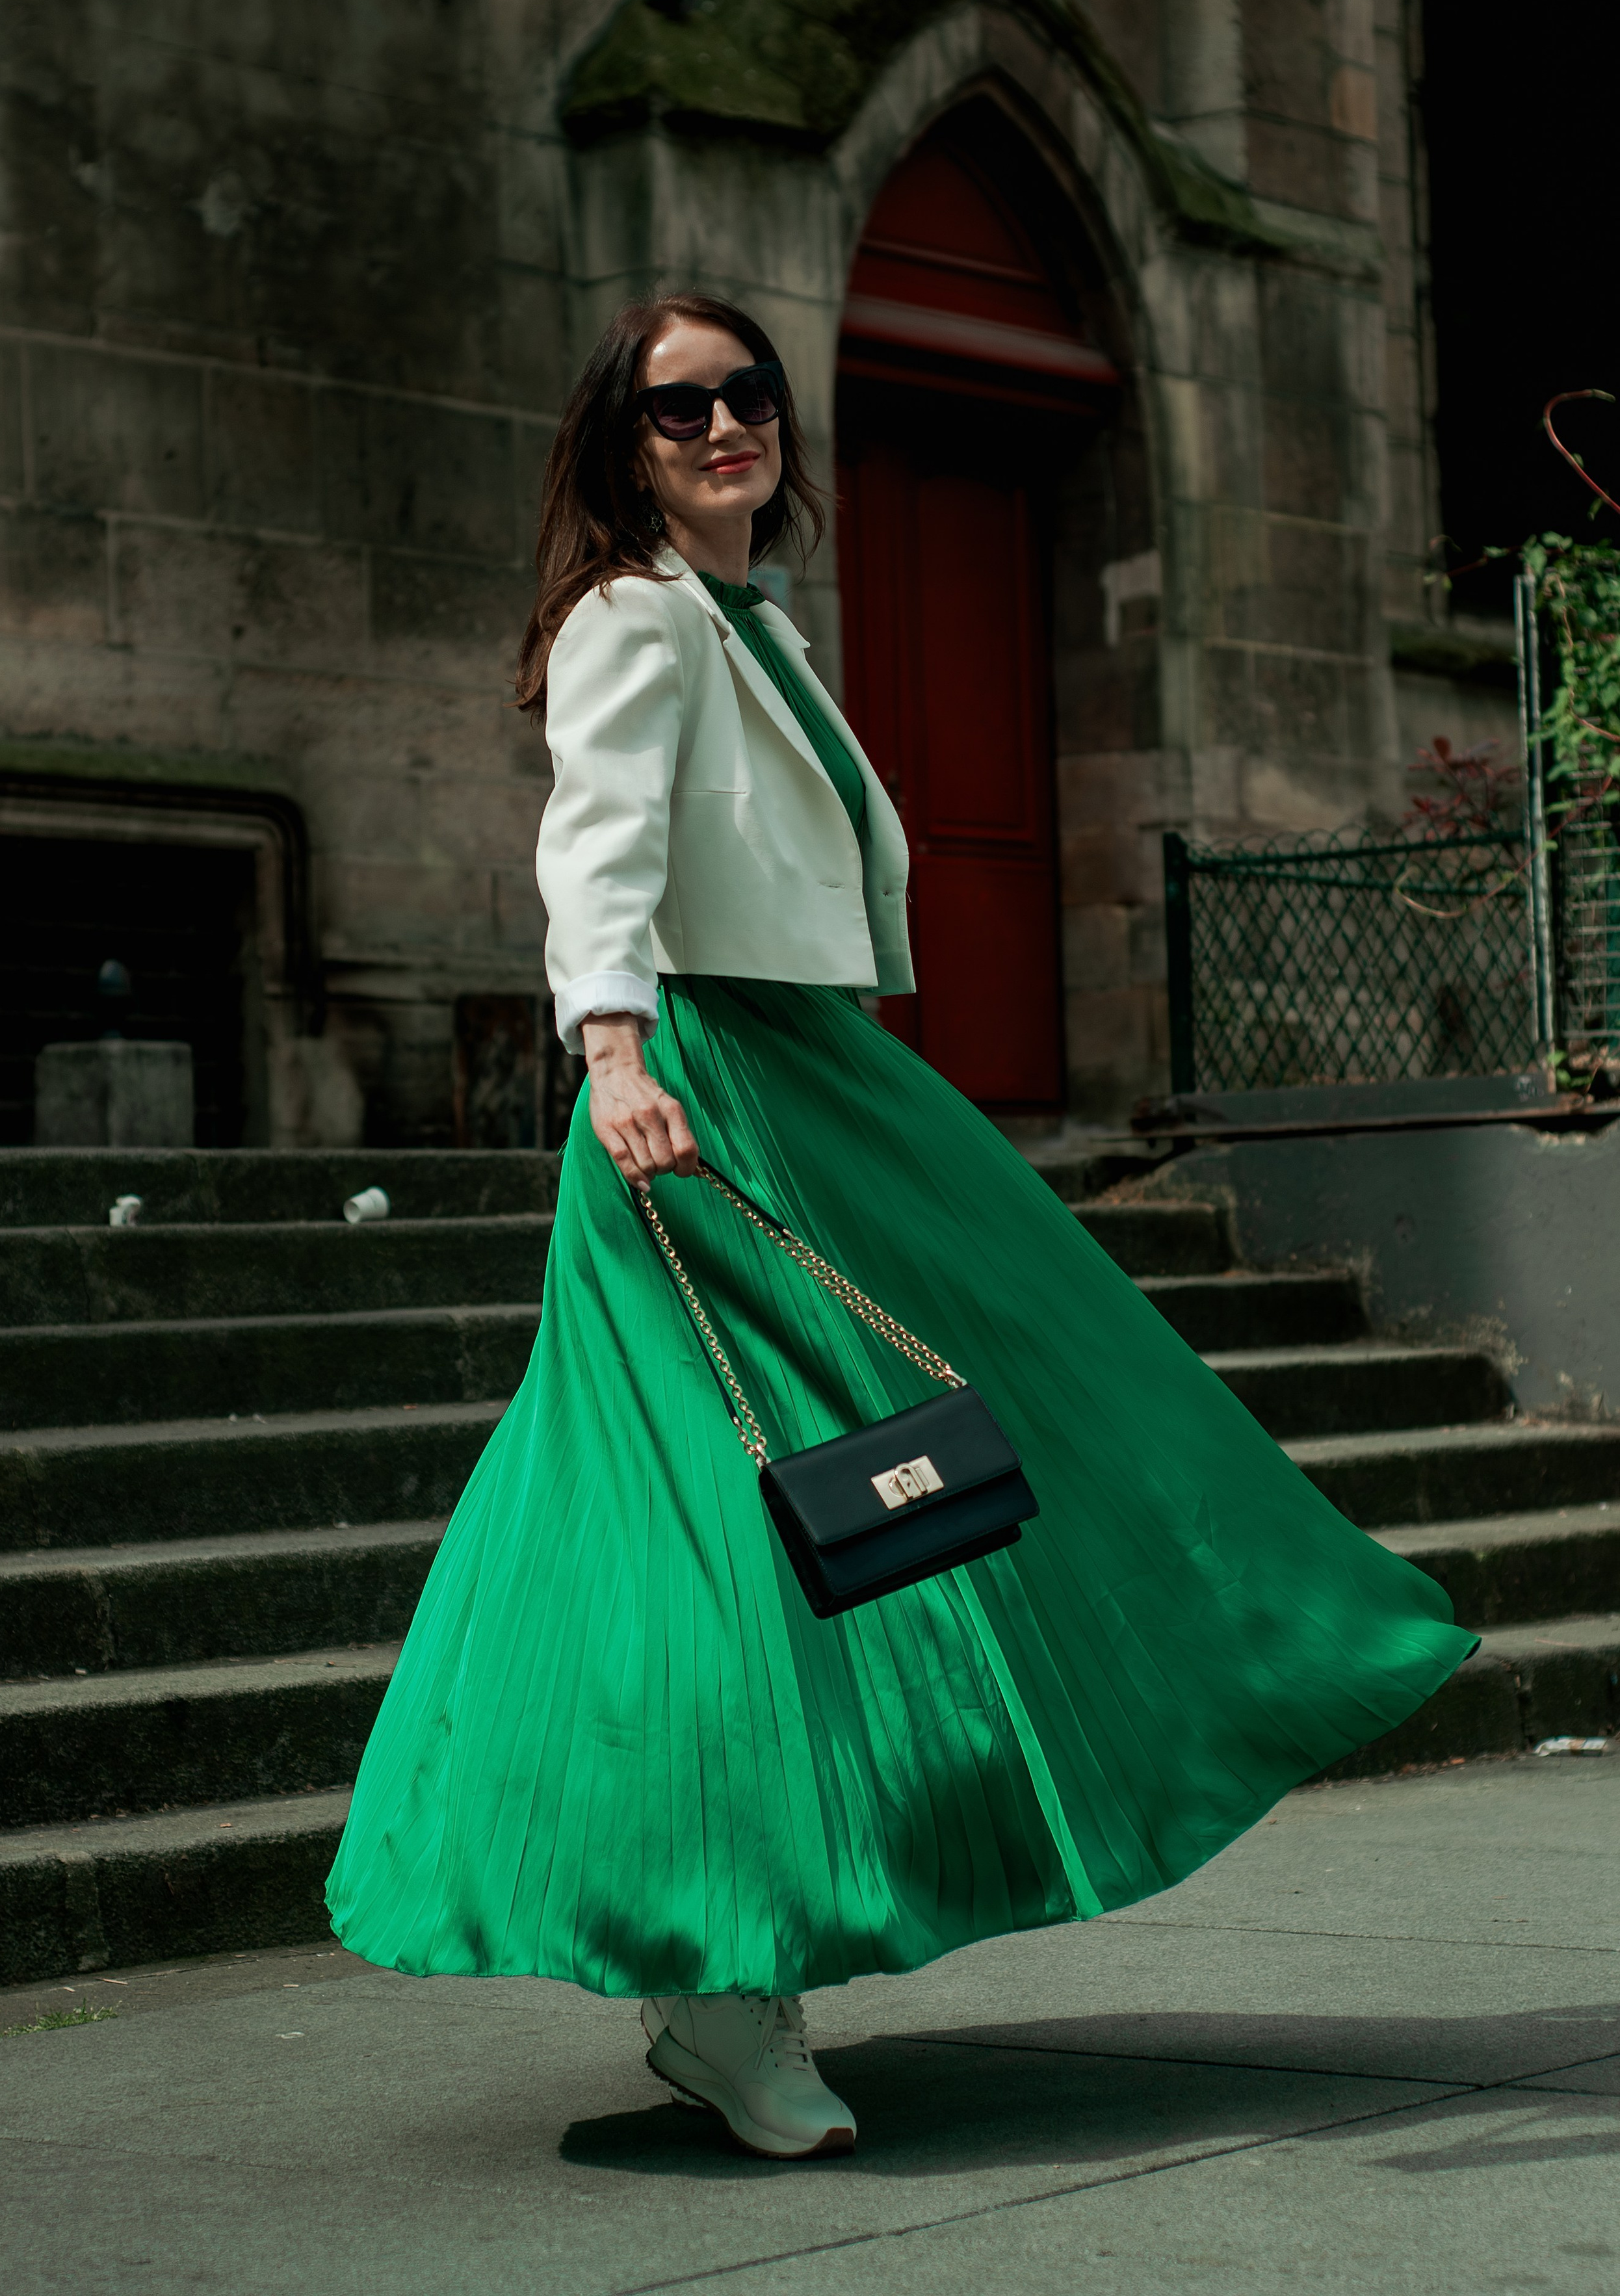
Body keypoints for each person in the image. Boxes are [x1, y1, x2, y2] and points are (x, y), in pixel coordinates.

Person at [325, 291, 1474, 2161]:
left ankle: (792, 1930)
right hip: (701, 1086)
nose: (725, 427)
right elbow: (593, 841)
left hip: (809, 1070)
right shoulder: (633, 619)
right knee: (721, 1518)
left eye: (750, 394)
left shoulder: (753, 623)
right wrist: (613, 1051)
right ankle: (723, 1986)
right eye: (680, 408)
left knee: (979, 1415)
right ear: (624, 448)